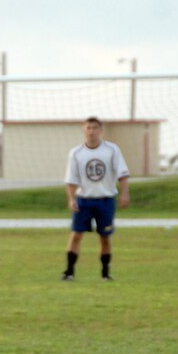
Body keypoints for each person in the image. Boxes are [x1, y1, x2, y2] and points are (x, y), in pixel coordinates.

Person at [62, 116, 130, 281]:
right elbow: (71, 179)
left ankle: (105, 274)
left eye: (94, 128)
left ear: (100, 130)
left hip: (105, 199)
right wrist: (71, 199)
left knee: (105, 237)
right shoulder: (76, 153)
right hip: (84, 200)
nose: (91, 131)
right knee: (76, 234)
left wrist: (124, 193)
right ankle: (69, 272)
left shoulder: (112, 150)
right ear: (84, 130)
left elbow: (122, 174)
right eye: (88, 128)